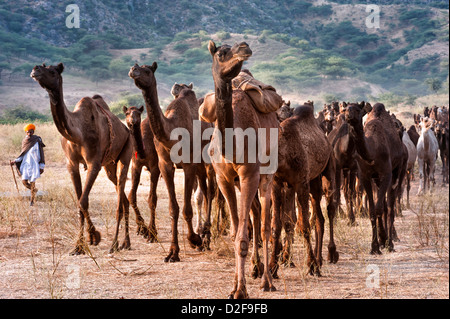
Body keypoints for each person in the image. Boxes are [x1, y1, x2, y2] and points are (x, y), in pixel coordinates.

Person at [10, 123, 46, 206]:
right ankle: (35, 190)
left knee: (32, 182)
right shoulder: (25, 141)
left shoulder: (37, 140)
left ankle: (32, 201)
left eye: (31, 132)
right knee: (24, 182)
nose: (29, 133)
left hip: (34, 164)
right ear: (25, 133)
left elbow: (41, 153)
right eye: (27, 132)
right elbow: (22, 154)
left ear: (33, 132)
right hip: (26, 164)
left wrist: (41, 166)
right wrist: (15, 161)